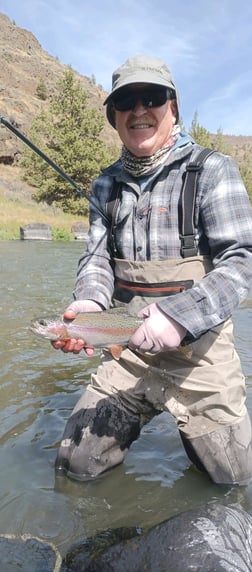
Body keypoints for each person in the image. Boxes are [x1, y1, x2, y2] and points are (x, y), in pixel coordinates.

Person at [53, 54, 252, 485]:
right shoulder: (105, 185)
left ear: (173, 108)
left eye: (153, 98)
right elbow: (96, 259)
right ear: (114, 117)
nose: (139, 110)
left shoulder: (213, 170)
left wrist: (179, 316)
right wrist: (89, 302)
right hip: (128, 351)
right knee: (74, 464)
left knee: (232, 480)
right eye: (127, 101)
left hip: (201, 354)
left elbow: (242, 260)